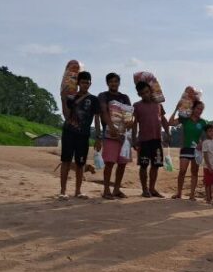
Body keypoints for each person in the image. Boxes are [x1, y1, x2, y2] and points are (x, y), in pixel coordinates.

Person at [59, 71, 101, 200]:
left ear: (90, 84)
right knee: (66, 161)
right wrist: (63, 99)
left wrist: (98, 137)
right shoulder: (71, 97)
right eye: (83, 82)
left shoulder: (94, 99)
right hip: (69, 133)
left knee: (80, 163)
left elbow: (97, 119)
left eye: (87, 83)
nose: (85, 85)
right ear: (78, 83)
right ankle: (63, 191)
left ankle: (78, 191)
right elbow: (66, 116)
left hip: (83, 135)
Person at [132, 81, 170, 198]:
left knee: (156, 165)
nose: (145, 95)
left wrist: (168, 132)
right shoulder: (136, 106)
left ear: (151, 91)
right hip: (143, 141)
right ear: (139, 94)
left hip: (157, 140)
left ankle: (152, 189)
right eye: (142, 93)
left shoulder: (158, 104)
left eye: (147, 92)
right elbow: (134, 123)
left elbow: (163, 119)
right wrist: (134, 139)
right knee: (143, 165)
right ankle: (145, 190)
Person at [98, 72, 131, 200]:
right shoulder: (103, 96)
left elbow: (129, 114)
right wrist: (111, 127)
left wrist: (129, 124)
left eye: (116, 81)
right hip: (109, 135)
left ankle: (116, 189)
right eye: (111, 81)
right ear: (107, 83)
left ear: (119, 83)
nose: (113, 83)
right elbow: (103, 111)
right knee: (110, 163)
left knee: (122, 164)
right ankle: (106, 190)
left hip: (123, 136)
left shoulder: (124, 97)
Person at [168, 101, 206, 200]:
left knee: (194, 172)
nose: (199, 111)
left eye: (201, 109)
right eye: (198, 108)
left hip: (197, 150)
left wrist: (202, 143)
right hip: (185, 148)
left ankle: (192, 194)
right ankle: (179, 193)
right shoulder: (185, 119)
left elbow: (208, 135)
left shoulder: (203, 122)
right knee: (182, 171)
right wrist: (176, 109)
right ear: (193, 108)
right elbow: (170, 123)